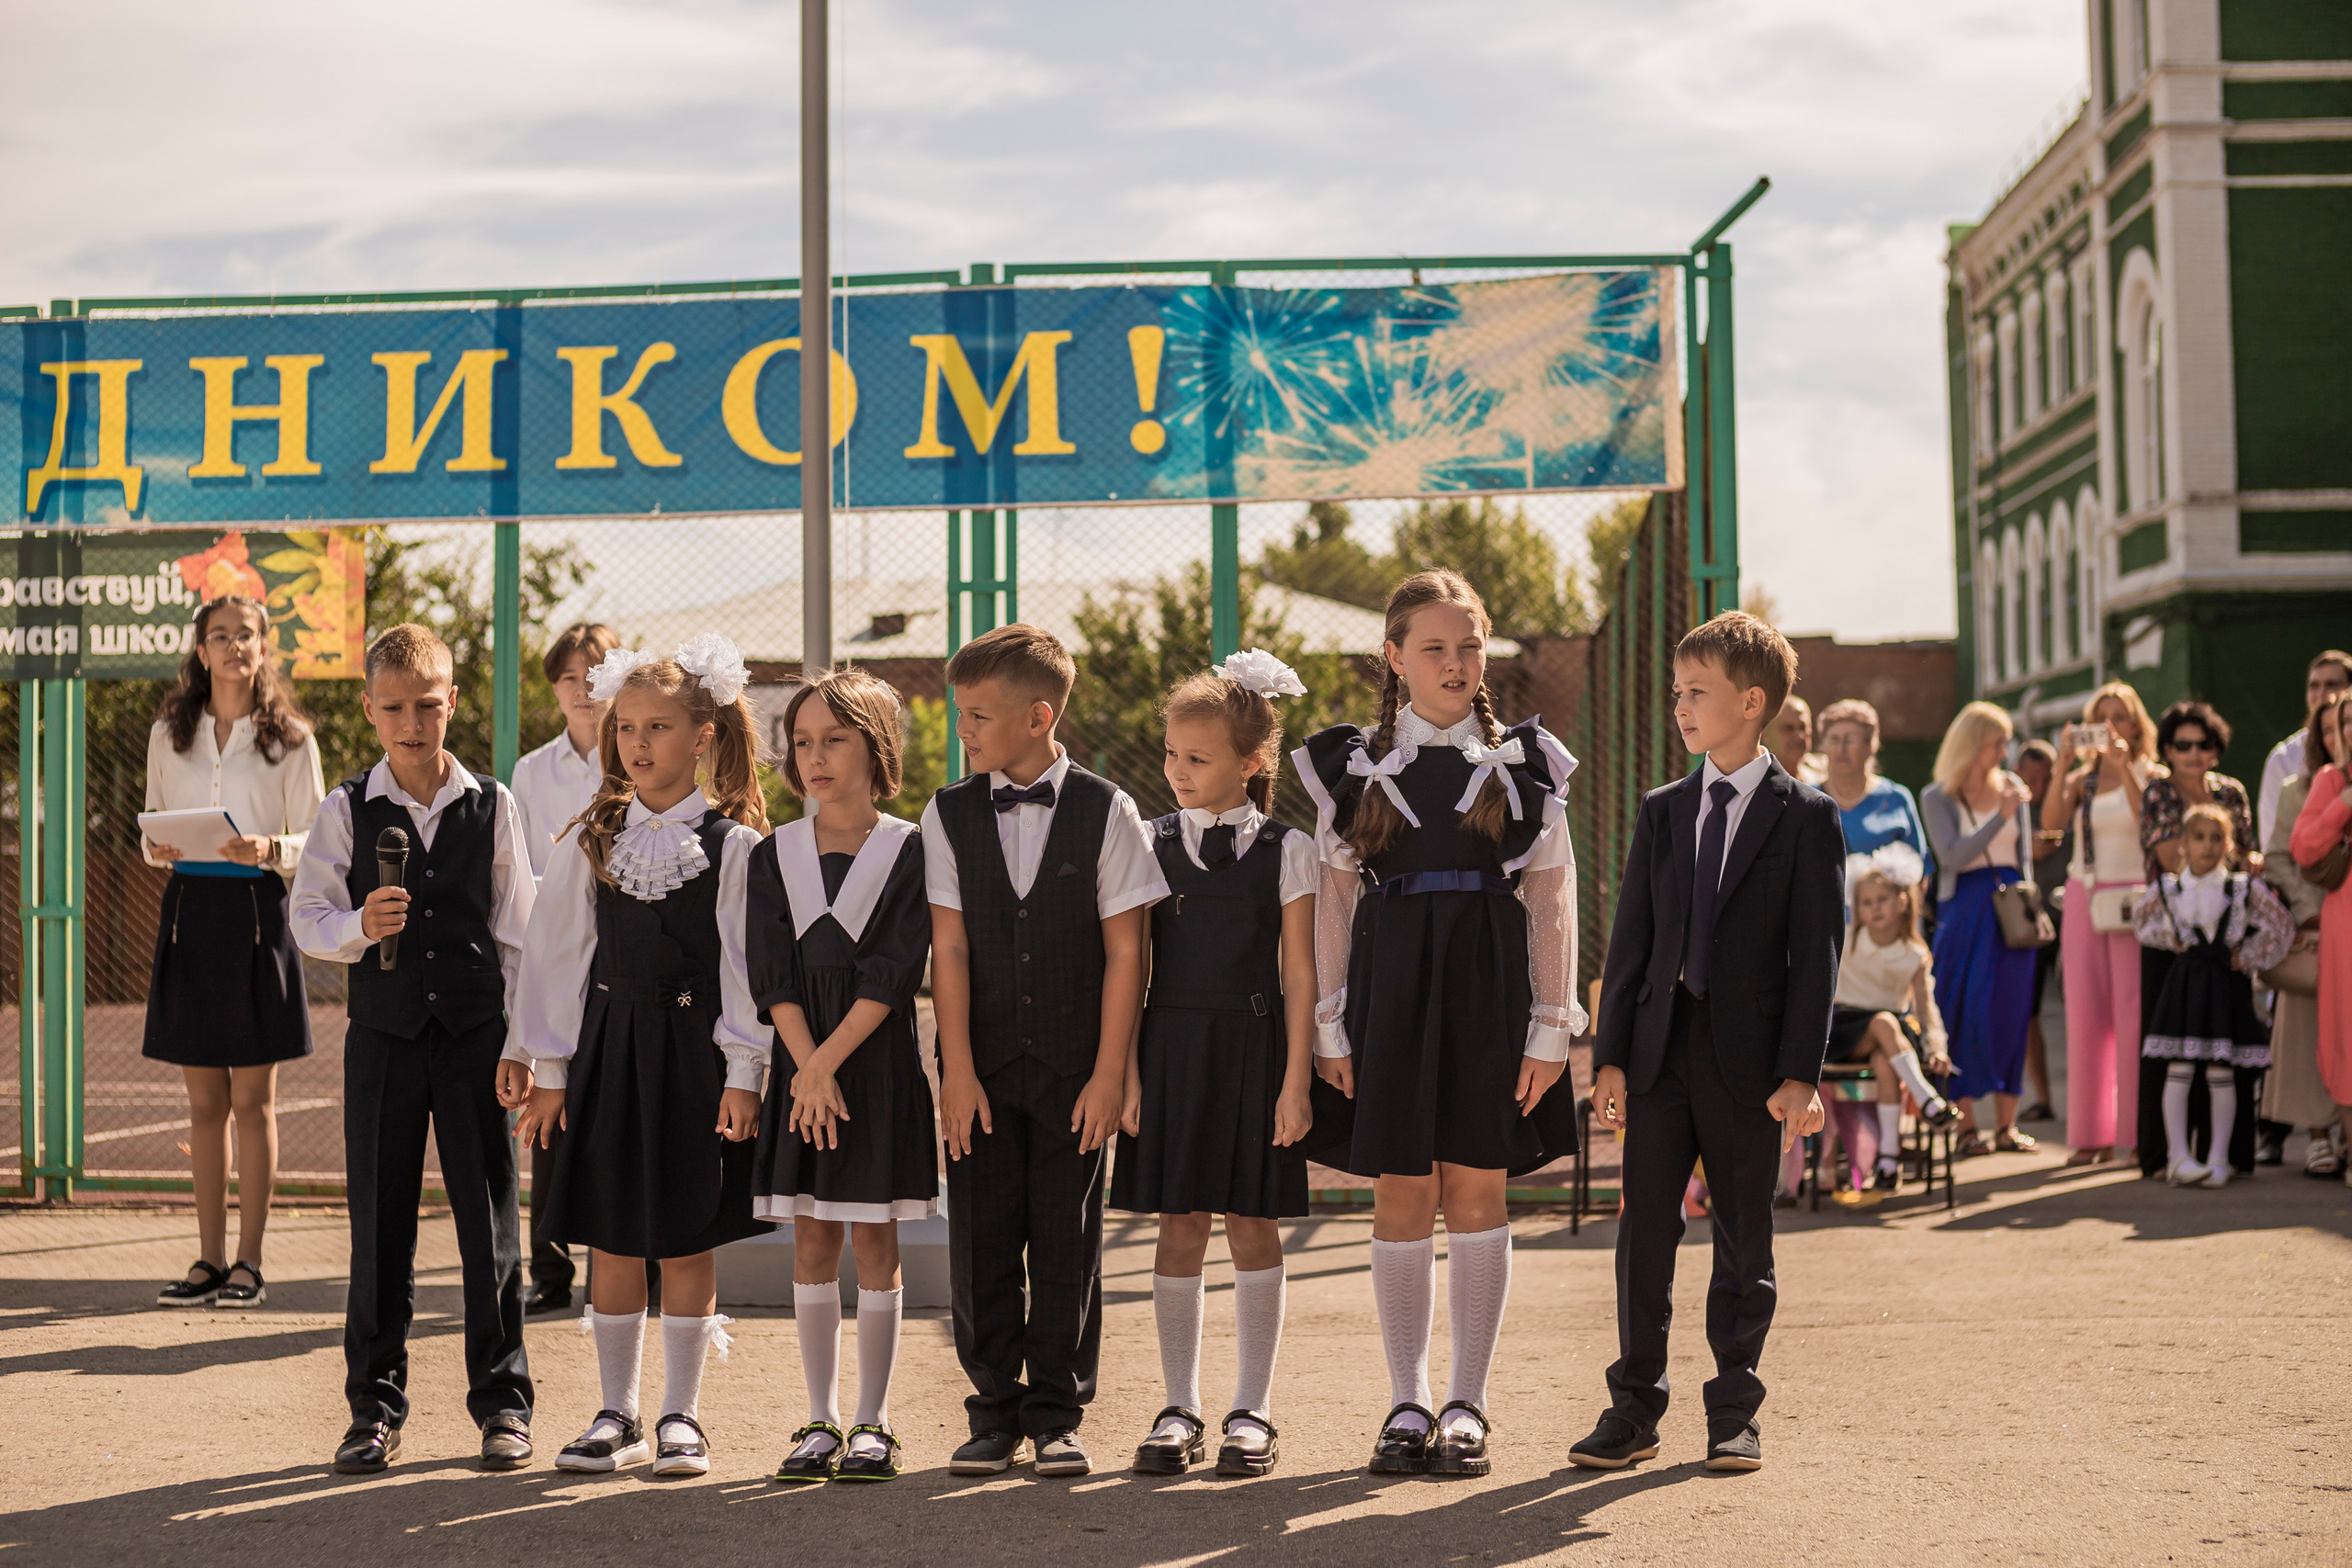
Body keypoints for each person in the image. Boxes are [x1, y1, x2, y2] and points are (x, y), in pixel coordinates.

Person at [1295, 570, 1580, 1479]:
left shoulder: (1529, 764)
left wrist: (1549, 1028)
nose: (1455, 663)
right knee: (1401, 1193)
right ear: (1394, 657)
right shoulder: (1348, 765)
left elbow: (1551, 904)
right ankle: (1406, 1401)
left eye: (1469, 646)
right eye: (1434, 648)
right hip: (1390, 993)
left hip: (1490, 992)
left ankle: (1468, 1404)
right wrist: (1328, 1026)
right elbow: (1332, 904)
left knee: (1476, 1191)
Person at [1570, 610, 1838, 1477]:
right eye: (1678, 691)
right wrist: (1609, 1056)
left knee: (1742, 1239)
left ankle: (1735, 1411)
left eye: (1697, 692)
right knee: (1644, 1233)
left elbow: (1816, 958)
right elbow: (1631, 942)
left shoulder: (1807, 818)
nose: (1681, 706)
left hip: (1751, 1068)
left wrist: (1801, 1073)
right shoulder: (1663, 811)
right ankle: (1634, 1407)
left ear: (1751, 702)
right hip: (1656, 1058)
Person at [503, 637, 771, 1480]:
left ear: (703, 735)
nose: (637, 743)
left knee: (688, 1238)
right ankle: (616, 1411)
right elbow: (556, 960)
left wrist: (743, 1074)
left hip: (695, 1061)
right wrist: (548, 1073)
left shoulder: (736, 848)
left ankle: (681, 1416)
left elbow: (744, 971)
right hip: (608, 1055)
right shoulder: (592, 836)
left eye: (658, 726)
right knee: (612, 1237)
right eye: (625, 727)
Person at [290, 623, 538, 1475]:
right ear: (369, 710)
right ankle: (374, 1408)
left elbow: (521, 934)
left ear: (452, 703)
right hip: (387, 1041)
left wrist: (526, 1044)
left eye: (427, 705)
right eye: (393, 707)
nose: (412, 722)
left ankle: (504, 1404)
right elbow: (308, 917)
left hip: (476, 1039)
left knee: (491, 1228)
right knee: (380, 1227)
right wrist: (360, 925)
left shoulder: (493, 804)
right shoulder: (346, 808)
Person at [923, 624, 1168, 1479]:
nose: (965, 730)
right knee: (982, 1243)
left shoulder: (1109, 810)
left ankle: (1058, 1411)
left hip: (1075, 1072)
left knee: (1068, 1244)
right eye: (962, 714)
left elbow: (1128, 953)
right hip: (982, 1073)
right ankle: (992, 1412)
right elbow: (947, 951)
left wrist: (1109, 1073)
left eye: (979, 714)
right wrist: (955, 1072)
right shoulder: (947, 812)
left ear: (1038, 716)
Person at [1114, 652, 1320, 1479]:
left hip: (1256, 1052)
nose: (1178, 771)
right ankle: (1179, 1405)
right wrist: (1126, 1073)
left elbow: (1301, 972)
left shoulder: (1290, 849)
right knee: (1178, 1224)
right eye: (1171, 754)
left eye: (1197, 758)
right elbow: (1127, 969)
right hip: (1169, 1051)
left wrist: (1297, 1079)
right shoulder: (1144, 843)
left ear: (1252, 761)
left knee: (1252, 1224)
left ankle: (1251, 1410)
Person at [751, 669, 934, 1486]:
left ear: (876, 747)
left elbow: (892, 973)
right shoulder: (771, 855)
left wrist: (823, 1065)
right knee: (813, 1236)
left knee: (874, 1238)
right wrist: (805, 1066)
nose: (815, 757)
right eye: (802, 742)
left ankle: (875, 1420)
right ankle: (820, 1418)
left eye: (835, 739)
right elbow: (774, 979)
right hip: (803, 1072)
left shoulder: (910, 850)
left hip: (872, 1068)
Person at [143, 595, 326, 1310]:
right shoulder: (169, 733)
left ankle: (250, 1262)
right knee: (203, 1101)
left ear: (263, 645)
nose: (232, 646)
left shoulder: (293, 738)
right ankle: (208, 1260)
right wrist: (157, 849)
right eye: (219, 635)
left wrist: (270, 848)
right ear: (200, 649)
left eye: (244, 634)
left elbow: (317, 839)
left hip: (257, 911)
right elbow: (149, 829)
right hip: (189, 911)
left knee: (253, 1100)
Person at [508, 620, 623, 1316]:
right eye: (570, 678)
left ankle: (638, 1261)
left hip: (622, 952)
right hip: (556, 955)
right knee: (549, 1105)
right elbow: (522, 874)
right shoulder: (530, 771)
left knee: (620, 1105)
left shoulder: (642, 752)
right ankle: (549, 1273)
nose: (584, 690)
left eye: (597, 675)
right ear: (554, 688)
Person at [2132, 805, 2292, 1188]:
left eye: (2217, 837)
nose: (2208, 846)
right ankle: (2178, 1157)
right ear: (2184, 843)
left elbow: (2280, 926)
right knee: (2179, 1068)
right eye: (2199, 837)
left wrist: (2248, 956)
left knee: (2223, 1069)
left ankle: (2219, 1158)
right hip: (2184, 986)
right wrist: (2170, 940)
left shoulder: (2240, 889)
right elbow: (2140, 922)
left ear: (2229, 843)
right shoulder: (2168, 889)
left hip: (2224, 985)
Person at [2137, 701, 2259, 1175]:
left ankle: (2224, 1156)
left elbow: (2247, 858)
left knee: (2225, 1055)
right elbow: (2171, 859)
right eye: (2181, 744)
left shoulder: (2233, 792)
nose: (2192, 753)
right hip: (2175, 941)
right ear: (2167, 748)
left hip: (2226, 941)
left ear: (2216, 749)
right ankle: (2167, 1156)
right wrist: (2226, 862)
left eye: (2202, 744)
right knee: (2170, 1056)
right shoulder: (2158, 793)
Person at [2042, 681, 2159, 1167]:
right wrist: (2062, 766)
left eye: (2121, 716)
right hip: (2083, 894)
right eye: (2101, 716)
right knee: (2085, 1016)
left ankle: (2133, 1136)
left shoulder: (2151, 773)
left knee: (2132, 1016)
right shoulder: (2081, 780)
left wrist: (2124, 766)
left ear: (2136, 725)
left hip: (2133, 897)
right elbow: (2049, 826)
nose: (2111, 725)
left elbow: (2148, 822)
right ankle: (2090, 1135)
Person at [1921, 702, 2038, 1157]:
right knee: (1962, 1013)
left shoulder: (2012, 789)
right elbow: (1952, 856)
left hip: (2012, 913)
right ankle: (1967, 1127)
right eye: (1996, 742)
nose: (2003, 752)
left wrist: (2030, 907)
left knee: (2012, 1014)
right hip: (1965, 911)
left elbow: (2024, 857)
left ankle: (2007, 1126)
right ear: (1972, 744)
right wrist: (2000, 817)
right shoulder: (1937, 796)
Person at [1829, 845, 1960, 1196]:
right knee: (1884, 1023)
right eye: (1866, 902)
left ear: (1903, 901)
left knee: (1886, 1060)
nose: (1874, 908)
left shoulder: (1915, 954)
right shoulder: (1846, 941)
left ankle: (1887, 1163)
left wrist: (1937, 1048)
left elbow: (1926, 1008)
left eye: (1882, 899)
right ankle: (1928, 1100)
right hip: (1844, 1032)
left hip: (1891, 1040)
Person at [2261, 717, 2336, 1177]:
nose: (2336, 736)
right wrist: (2311, 910)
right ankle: (2318, 1135)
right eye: (2327, 729)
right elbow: (2277, 856)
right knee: (2308, 1027)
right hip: (2315, 929)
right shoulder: (2297, 788)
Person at [2290, 690, 2352, 1187]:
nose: (2350, 729)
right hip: (2344, 922)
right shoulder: (2332, 779)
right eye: (2345, 721)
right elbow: (2304, 845)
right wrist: (2342, 806)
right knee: (2346, 1031)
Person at [2013, 739, 2067, 1121]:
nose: (2037, 788)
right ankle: (2043, 1098)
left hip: (2068, 921)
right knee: (2028, 1015)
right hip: (2028, 920)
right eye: (2030, 779)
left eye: (2045, 780)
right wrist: (2024, 849)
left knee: (2076, 1011)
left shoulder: (2067, 802)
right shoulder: (2010, 807)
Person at [2256, 650, 2352, 846]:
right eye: (2314, 686)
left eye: (2332, 684)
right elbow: (2272, 844)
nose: (2321, 694)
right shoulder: (2283, 758)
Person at [1770, 692, 1826, 785]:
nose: (1799, 736)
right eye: (1788, 729)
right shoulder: (1756, 780)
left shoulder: (1821, 775)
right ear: (1766, 735)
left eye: (1802, 727)